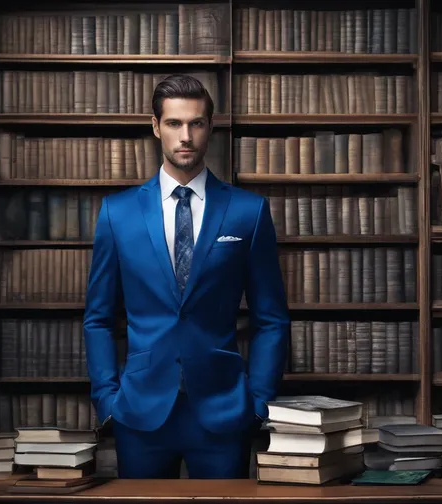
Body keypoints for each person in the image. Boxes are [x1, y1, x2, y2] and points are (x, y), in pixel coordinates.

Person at [83, 74, 290, 479]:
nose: (186, 136)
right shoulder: (117, 213)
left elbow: (272, 318)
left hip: (224, 410)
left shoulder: (248, 211)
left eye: (196, 123)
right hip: (139, 413)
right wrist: (107, 398)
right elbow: (99, 318)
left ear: (210, 127)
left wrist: (258, 401)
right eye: (175, 124)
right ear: (156, 126)